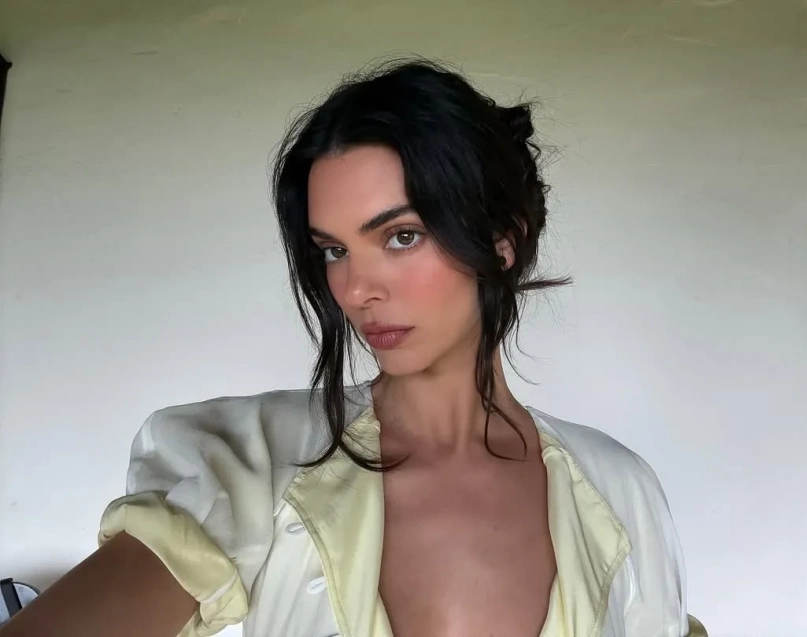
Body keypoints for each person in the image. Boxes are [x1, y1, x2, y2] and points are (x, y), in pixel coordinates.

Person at [0, 59, 706, 637]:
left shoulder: (620, 490)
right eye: (334, 250)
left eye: (401, 236)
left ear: (503, 241)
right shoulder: (254, 461)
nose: (357, 288)